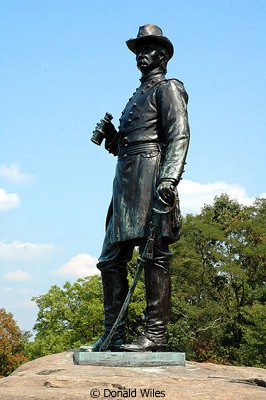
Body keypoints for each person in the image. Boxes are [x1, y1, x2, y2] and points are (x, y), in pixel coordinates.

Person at [89, 24, 190, 352]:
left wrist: (169, 179)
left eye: (147, 50)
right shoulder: (138, 94)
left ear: (162, 55)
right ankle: (113, 334)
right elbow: (128, 147)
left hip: (151, 176)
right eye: (138, 50)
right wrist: (112, 139)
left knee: (154, 255)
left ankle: (155, 334)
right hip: (126, 182)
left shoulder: (168, 88)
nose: (141, 56)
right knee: (110, 259)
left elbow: (178, 135)